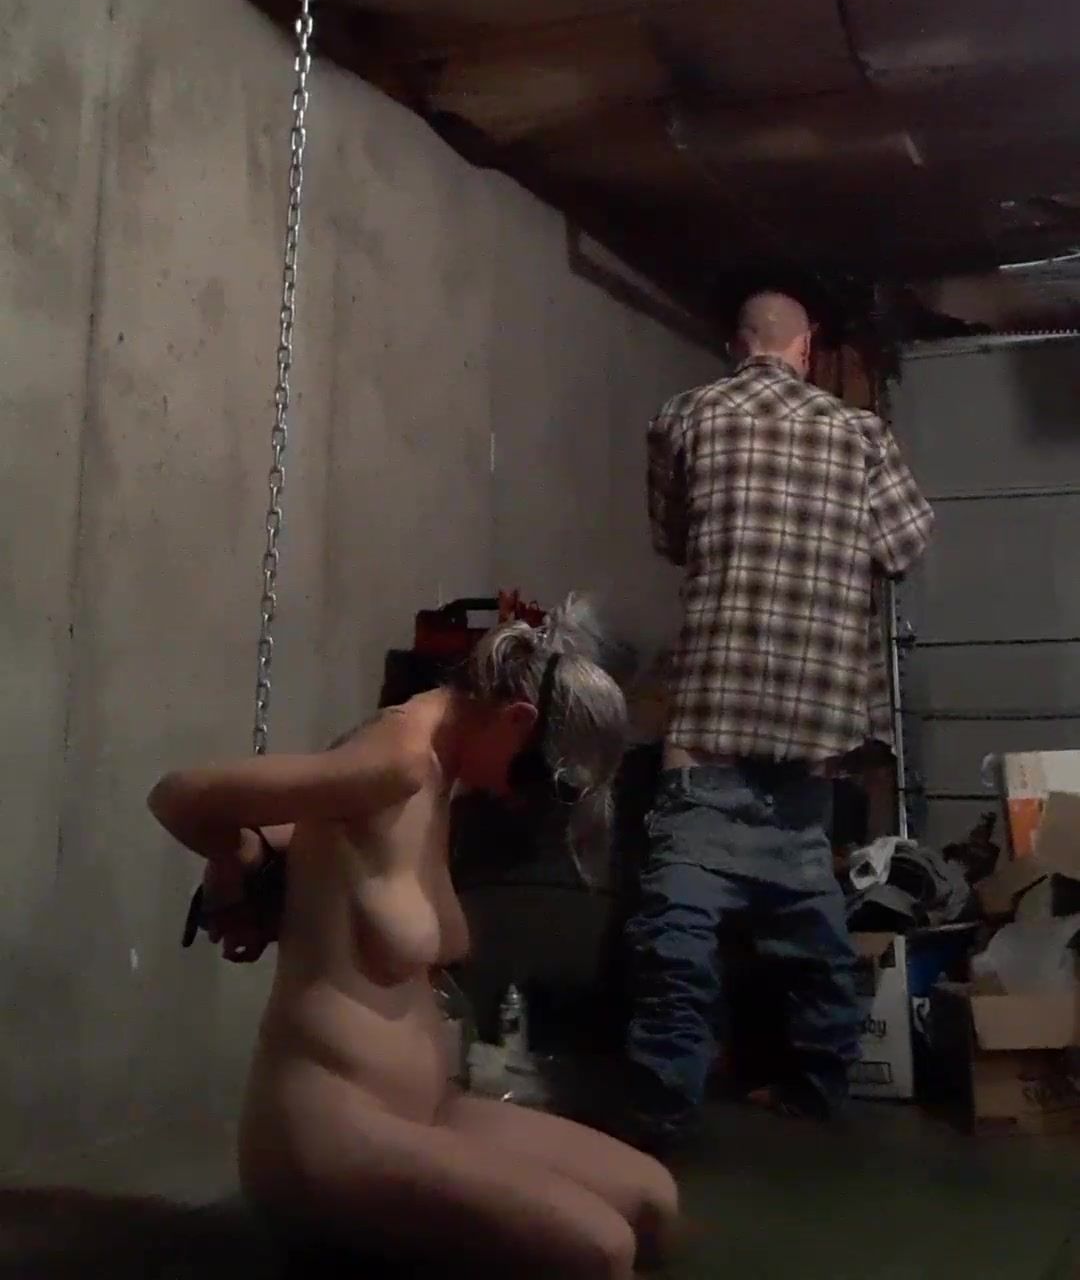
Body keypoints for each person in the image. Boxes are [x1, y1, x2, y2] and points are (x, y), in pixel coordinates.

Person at [149, 597, 679, 1278]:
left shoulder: (442, 776)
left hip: (427, 1109)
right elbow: (178, 795)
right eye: (538, 783)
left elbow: (317, 830)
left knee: (654, 1202)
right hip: (335, 1124)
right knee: (603, 1251)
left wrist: (259, 853)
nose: (522, 801)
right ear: (518, 721)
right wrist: (230, 863)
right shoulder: (395, 760)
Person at [625, 292, 933, 1146]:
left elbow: (675, 538)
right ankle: (820, 1088)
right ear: (806, 348)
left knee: (678, 934)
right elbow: (906, 544)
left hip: (711, 728)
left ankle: (663, 1113)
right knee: (815, 930)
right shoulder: (860, 433)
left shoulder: (684, 416)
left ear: (738, 346)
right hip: (813, 734)